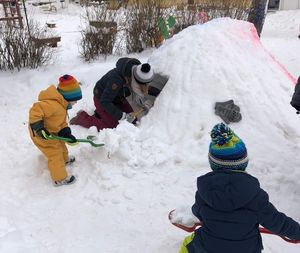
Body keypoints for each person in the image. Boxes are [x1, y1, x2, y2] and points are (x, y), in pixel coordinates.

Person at [178, 123, 300, 253]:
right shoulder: (255, 196)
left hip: (208, 248)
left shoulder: (204, 191)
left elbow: (197, 211)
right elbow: (278, 222)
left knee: (188, 243)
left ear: (213, 164)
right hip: (246, 249)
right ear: (243, 163)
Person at [70, 57, 155, 131]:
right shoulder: (116, 80)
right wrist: (123, 116)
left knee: (133, 120)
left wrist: (156, 95)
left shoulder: (136, 72)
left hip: (117, 98)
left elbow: (144, 87)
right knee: (114, 126)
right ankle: (81, 117)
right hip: (102, 99)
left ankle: (101, 114)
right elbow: (105, 101)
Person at [29, 75, 82, 186]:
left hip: (52, 131)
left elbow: (61, 122)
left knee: (61, 143)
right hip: (40, 134)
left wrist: (66, 133)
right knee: (55, 153)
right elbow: (35, 111)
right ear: (68, 97)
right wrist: (39, 128)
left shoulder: (61, 105)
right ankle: (60, 178)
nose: (75, 103)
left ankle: (65, 160)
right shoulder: (52, 104)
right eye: (75, 100)